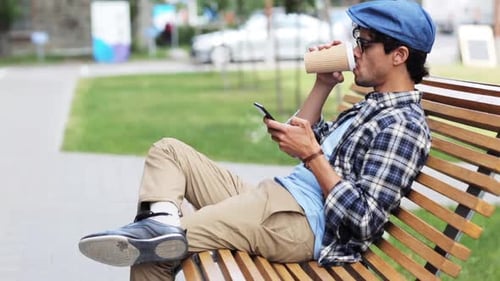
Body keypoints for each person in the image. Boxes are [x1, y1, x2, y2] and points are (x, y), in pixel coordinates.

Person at [78, 1, 436, 280]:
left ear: (399, 55)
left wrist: (312, 156)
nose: (354, 50)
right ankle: (158, 222)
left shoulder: (402, 125)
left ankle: (158, 232)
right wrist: (323, 85)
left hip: (298, 222)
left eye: (365, 43)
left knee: (153, 252)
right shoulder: (371, 106)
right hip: (275, 197)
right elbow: (313, 138)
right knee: (168, 150)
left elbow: (363, 219)